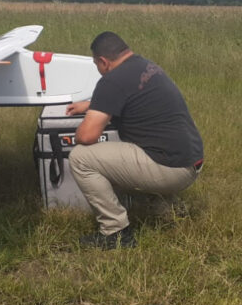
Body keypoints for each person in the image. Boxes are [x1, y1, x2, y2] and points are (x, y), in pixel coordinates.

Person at [66, 31, 204, 249]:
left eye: (96, 65)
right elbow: (128, 94)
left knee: (81, 158)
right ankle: (167, 208)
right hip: (190, 160)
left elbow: (86, 136)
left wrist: (79, 126)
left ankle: (115, 232)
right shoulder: (145, 66)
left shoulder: (112, 81)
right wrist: (93, 104)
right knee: (132, 147)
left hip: (172, 168)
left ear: (103, 61)